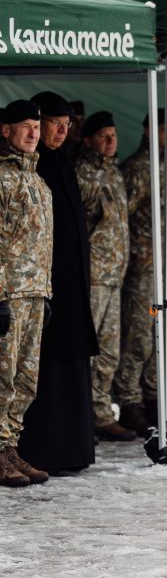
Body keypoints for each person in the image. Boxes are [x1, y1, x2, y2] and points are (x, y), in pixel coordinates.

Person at [17, 91, 99, 474]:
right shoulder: (32, 168)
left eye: (67, 125)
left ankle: (71, 449)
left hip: (70, 284)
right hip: (40, 285)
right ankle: (45, 449)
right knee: (42, 368)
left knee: (69, 362)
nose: (63, 131)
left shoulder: (60, 163)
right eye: (54, 123)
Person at [113, 109, 167, 434]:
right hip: (147, 268)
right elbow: (122, 219)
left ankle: (154, 399)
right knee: (140, 336)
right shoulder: (137, 169)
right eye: (163, 128)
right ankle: (129, 400)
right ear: (148, 131)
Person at [0, 100, 54, 487]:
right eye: (26, 126)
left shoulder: (38, 181)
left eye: (37, 126)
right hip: (9, 295)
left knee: (26, 380)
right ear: (6, 130)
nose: (34, 133)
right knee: (2, 378)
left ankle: (10, 448)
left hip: (34, 293)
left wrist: (46, 292)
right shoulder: (1, 178)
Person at [73, 110, 136, 442]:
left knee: (110, 351)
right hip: (95, 274)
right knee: (89, 347)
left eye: (114, 135)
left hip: (116, 274)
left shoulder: (114, 173)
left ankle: (100, 414)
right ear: (88, 140)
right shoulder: (82, 173)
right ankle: (82, 416)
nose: (111, 142)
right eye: (103, 136)